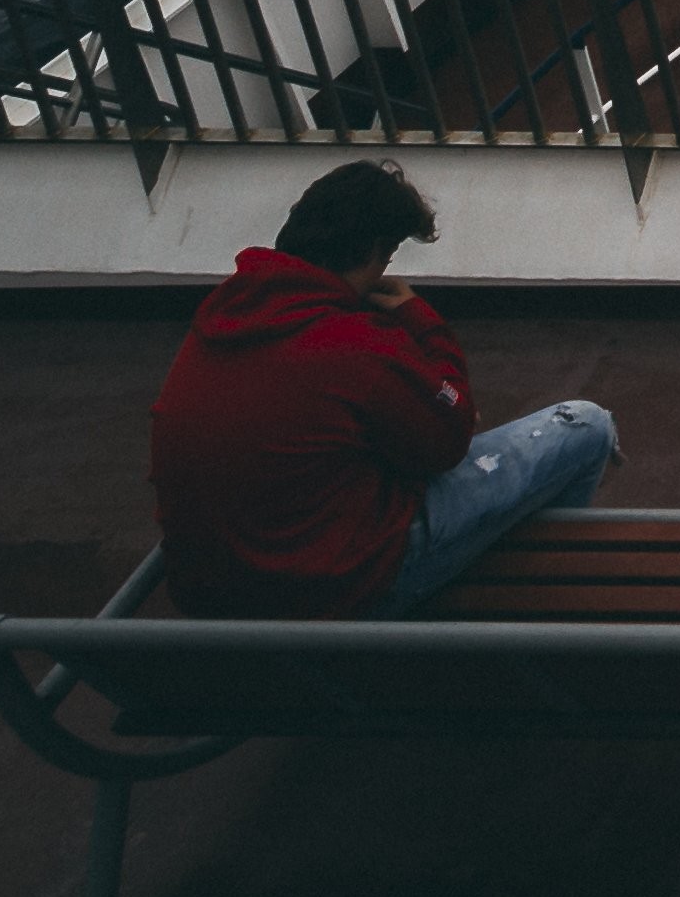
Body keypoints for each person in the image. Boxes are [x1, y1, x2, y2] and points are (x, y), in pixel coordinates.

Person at [149, 160, 619, 617]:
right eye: (388, 257)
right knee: (585, 426)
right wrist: (420, 319)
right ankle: (542, 602)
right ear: (373, 250)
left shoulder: (223, 315)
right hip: (333, 594)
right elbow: (448, 438)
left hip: (213, 596)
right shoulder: (355, 343)